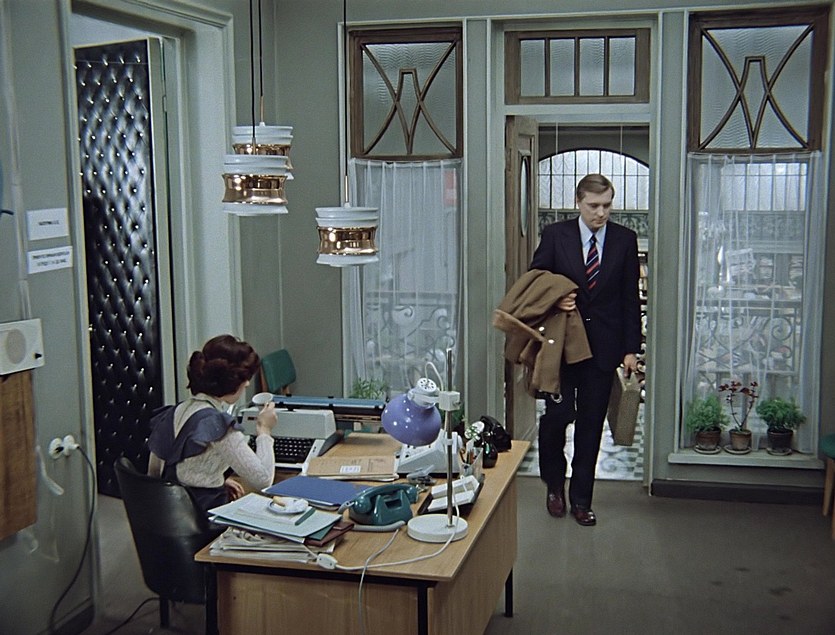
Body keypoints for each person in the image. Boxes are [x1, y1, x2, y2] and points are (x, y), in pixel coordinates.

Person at [529, 173, 642, 526]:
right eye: (594, 206)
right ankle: (553, 486)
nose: (601, 213)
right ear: (578, 202)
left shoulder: (625, 240)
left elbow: (630, 298)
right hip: (562, 348)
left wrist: (631, 349)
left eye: (607, 205)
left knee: (591, 427)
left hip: (604, 350)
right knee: (557, 419)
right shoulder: (555, 235)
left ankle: (581, 500)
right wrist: (556, 298)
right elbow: (535, 282)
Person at [147, 334, 277, 515]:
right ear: (231, 381)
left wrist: (212, 477)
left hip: (170, 514)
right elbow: (263, 480)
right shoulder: (217, 425)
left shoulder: (175, 412)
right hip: (203, 517)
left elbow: (156, 472)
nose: (247, 384)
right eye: (244, 378)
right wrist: (264, 429)